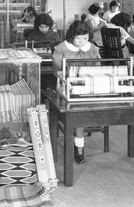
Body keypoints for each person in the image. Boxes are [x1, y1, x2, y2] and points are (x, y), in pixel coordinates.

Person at [52, 20, 101, 164]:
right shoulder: (61, 48)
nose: (81, 42)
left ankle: (78, 141)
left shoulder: (92, 48)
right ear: (71, 36)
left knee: (82, 108)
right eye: (78, 38)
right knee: (78, 110)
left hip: (87, 87)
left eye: (85, 38)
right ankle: (79, 147)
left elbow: (98, 69)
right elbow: (56, 72)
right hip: (66, 87)